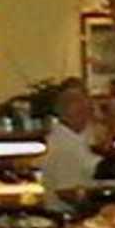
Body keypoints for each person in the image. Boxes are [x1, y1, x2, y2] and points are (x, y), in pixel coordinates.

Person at [40, 79, 103, 213]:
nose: (84, 105)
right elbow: (65, 192)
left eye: (85, 99)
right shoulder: (62, 144)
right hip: (67, 215)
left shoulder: (86, 135)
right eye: (74, 101)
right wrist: (98, 208)